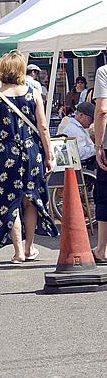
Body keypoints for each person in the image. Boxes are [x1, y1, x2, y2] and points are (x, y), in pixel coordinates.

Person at [0, 50, 58, 264]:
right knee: (30, 200)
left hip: (6, 152)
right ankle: (30, 248)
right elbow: (43, 126)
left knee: (10, 201)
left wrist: (7, 136)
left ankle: (17, 253)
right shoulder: (33, 93)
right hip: (31, 150)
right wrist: (49, 155)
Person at [91, 64, 107, 263]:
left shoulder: (104, 72)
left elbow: (102, 110)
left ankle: (103, 249)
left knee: (104, 195)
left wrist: (98, 145)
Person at [62, 102, 96, 166]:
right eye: (90, 119)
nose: (92, 122)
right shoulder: (75, 130)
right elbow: (79, 153)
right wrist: (96, 148)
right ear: (81, 115)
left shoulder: (78, 128)